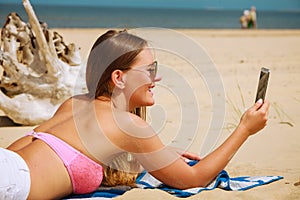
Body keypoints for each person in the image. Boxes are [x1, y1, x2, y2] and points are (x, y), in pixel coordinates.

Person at [0, 29, 269, 199]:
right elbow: (192, 179)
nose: (157, 77)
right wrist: (245, 128)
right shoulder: (129, 125)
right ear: (118, 78)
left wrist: (156, 156)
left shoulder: (74, 104)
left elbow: (72, 155)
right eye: (150, 70)